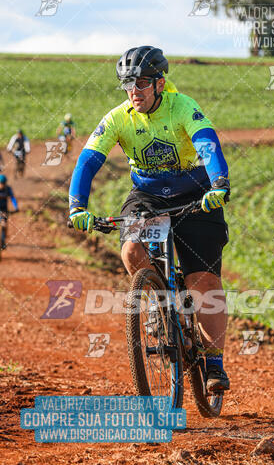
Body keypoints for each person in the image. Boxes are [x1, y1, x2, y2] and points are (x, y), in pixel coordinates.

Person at [69, 46, 231, 392]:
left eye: (141, 83)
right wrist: (77, 205)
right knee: (131, 251)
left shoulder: (182, 107)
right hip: (148, 197)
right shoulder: (118, 117)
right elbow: (88, 161)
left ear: (159, 83)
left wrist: (219, 183)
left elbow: (207, 144)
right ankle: (159, 303)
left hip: (195, 195)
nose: (133, 91)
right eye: (128, 84)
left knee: (203, 282)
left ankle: (214, 362)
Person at [0, 174, 18, 250]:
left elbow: (13, 198)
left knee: (4, 225)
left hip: (4, 211)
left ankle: (3, 241)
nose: (2, 185)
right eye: (1, 183)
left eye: (3, 183)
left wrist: (16, 207)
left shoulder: (8, 189)